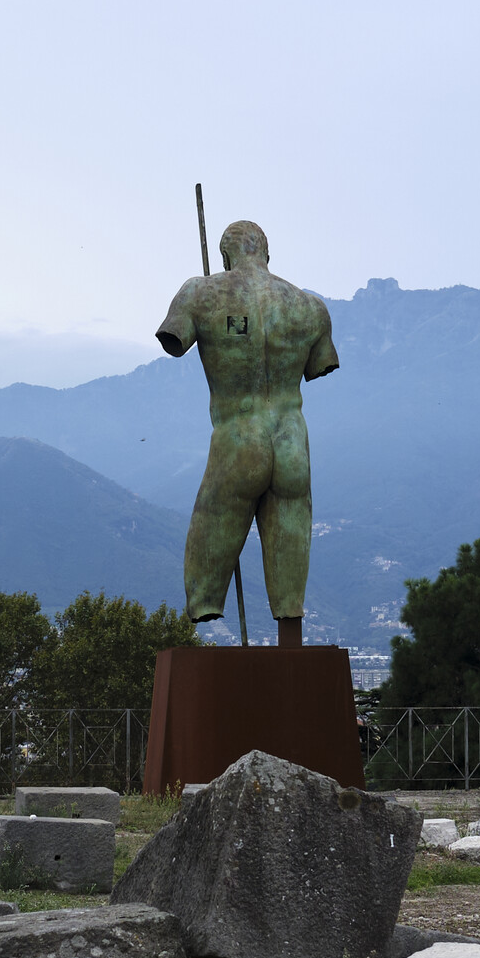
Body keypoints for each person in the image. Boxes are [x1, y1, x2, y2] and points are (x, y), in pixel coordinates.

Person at [156, 218, 338, 646]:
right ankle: (289, 615)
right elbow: (320, 366)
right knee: (292, 531)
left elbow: (174, 339)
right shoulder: (310, 306)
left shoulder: (200, 292)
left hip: (239, 439)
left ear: (225, 256)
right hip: (292, 442)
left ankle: (204, 604)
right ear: (267, 253)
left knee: (212, 521)